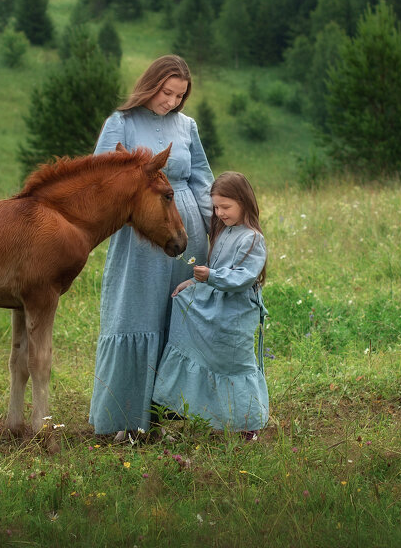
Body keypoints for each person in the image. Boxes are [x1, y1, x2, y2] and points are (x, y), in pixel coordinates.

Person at [89, 55, 214, 442]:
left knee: (180, 320)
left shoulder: (188, 126)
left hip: (185, 229)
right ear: (151, 85)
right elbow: (101, 179)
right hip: (140, 236)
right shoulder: (121, 123)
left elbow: (201, 182)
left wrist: (215, 234)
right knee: (133, 317)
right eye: (166, 92)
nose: (172, 102)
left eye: (180, 95)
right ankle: (122, 420)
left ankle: (170, 419)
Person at [152, 171, 269, 439]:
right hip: (217, 308)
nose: (219, 213)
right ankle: (211, 415)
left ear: (244, 202)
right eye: (216, 207)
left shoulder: (252, 238)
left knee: (234, 363)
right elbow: (215, 271)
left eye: (225, 207)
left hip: (236, 313)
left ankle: (247, 425)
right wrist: (192, 285)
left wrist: (211, 276)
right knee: (210, 356)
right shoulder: (224, 232)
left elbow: (242, 277)